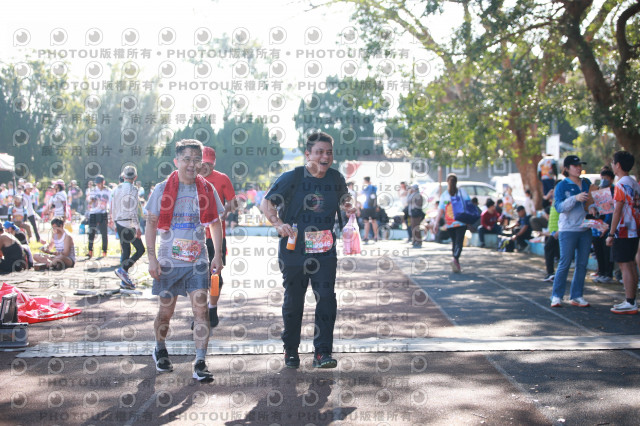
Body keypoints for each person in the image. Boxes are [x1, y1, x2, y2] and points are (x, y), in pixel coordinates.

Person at [261, 132, 355, 369]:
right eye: (320, 152)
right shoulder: (292, 177)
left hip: (324, 248)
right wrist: (277, 223)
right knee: (294, 300)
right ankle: (291, 349)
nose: (325, 157)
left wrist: (350, 206)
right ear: (308, 154)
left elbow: (346, 199)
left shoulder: (335, 178)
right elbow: (267, 202)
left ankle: (322, 352)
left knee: (326, 298)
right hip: (294, 248)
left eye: (329, 152)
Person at [145, 139, 224, 382]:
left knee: (201, 309)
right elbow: (150, 223)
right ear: (176, 161)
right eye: (187, 159)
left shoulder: (207, 189)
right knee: (165, 312)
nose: (192, 164)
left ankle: (200, 361)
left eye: (196, 159)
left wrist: (217, 254)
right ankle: (160, 348)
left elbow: (215, 223)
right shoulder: (162, 189)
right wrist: (151, 258)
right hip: (168, 263)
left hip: (197, 262)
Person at [198, 146, 237, 328]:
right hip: (195, 236)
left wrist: (225, 210)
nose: (205, 167)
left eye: (209, 164)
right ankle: (199, 312)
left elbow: (233, 203)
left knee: (215, 276)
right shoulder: (191, 180)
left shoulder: (222, 179)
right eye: (202, 163)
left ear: (213, 164)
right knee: (197, 278)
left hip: (215, 236)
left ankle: (212, 308)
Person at [550, 155, 592, 308]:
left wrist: (594, 209)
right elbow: (559, 207)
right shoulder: (562, 185)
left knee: (582, 264)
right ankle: (556, 296)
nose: (579, 168)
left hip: (585, 228)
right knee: (565, 262)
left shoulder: (587, 183)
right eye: (575, 166)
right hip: (568, 229)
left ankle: (577, 296)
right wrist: (575, 198)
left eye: (580, 165)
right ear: (566, 168)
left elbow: (593, 203)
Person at [607, 151, 640, 314]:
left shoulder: (621, 184)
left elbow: (617, 209)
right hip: (634, 228)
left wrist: (611, 233)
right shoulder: (634, 183)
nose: (612, 165)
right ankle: (631, 300)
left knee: (625, 265)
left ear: (618, 165)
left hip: (623, 229)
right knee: (631, 264)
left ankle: (630, 301)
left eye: (613, 162)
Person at [111, 166, 145, 289]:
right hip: (128, 223)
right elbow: (133, 210)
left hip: (119, 222)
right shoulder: (134, 189)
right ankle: (123, 270)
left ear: (123, 176)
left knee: (125, 250)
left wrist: (114, 223)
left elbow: (113, 207)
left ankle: (124, 280)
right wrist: (137, 227)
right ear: (135, 177)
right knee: (140, 249)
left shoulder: (116, 189)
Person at [433, 173, 469, 273]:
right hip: (461, 222)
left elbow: (440, 210)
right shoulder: (462, 192)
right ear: (456, 182)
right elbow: (468, 205)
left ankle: (456, 261)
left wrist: (436, 223)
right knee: (459, 242)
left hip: (450, 223)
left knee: (454, 242)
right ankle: (455, 258)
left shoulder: (445, 195)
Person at [591, 167, 615, 283]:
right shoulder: (599, 191)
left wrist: (605, 228)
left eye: (606, 178)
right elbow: (593, 206)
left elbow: (611, 214)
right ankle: (601, 272)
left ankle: (608, 274)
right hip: (597, 226)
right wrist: (592, 208)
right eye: (602, 178)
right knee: (598, 250)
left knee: (606, 251)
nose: (604, 180)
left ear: (611, 179)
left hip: (608, 227)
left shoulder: (614, 192)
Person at [86, 175, 111, 259]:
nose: (98, 185)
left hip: (103, 213)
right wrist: (92, 201)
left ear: (103, 182)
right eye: (97, 183)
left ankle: (104, 251)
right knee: (91, 232)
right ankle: (90, 251)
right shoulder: (93, 190)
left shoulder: (108, 191)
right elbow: (89, 203)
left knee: (104, 233)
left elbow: (110, 203)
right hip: (93, 213)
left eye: (99, 183)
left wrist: (110, 213)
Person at [543, 185, 560, 282]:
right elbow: (544, 205)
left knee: (549, 248)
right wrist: (547, 196)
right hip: (553, 232)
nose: (553, 192)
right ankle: (551, 273)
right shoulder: (554, 200)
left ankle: (551, 273)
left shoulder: (561, 200)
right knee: (551, 250)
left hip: (558, 231)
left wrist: (560, 229)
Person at [360, 176, 378, 244]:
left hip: (366, 206)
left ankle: (366, 236)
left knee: (366, 222)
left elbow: (360, 193)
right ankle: (376, 236)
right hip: (373, 207)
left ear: (365, 181)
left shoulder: (366, 187)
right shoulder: (374, 187)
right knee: (374, 221)